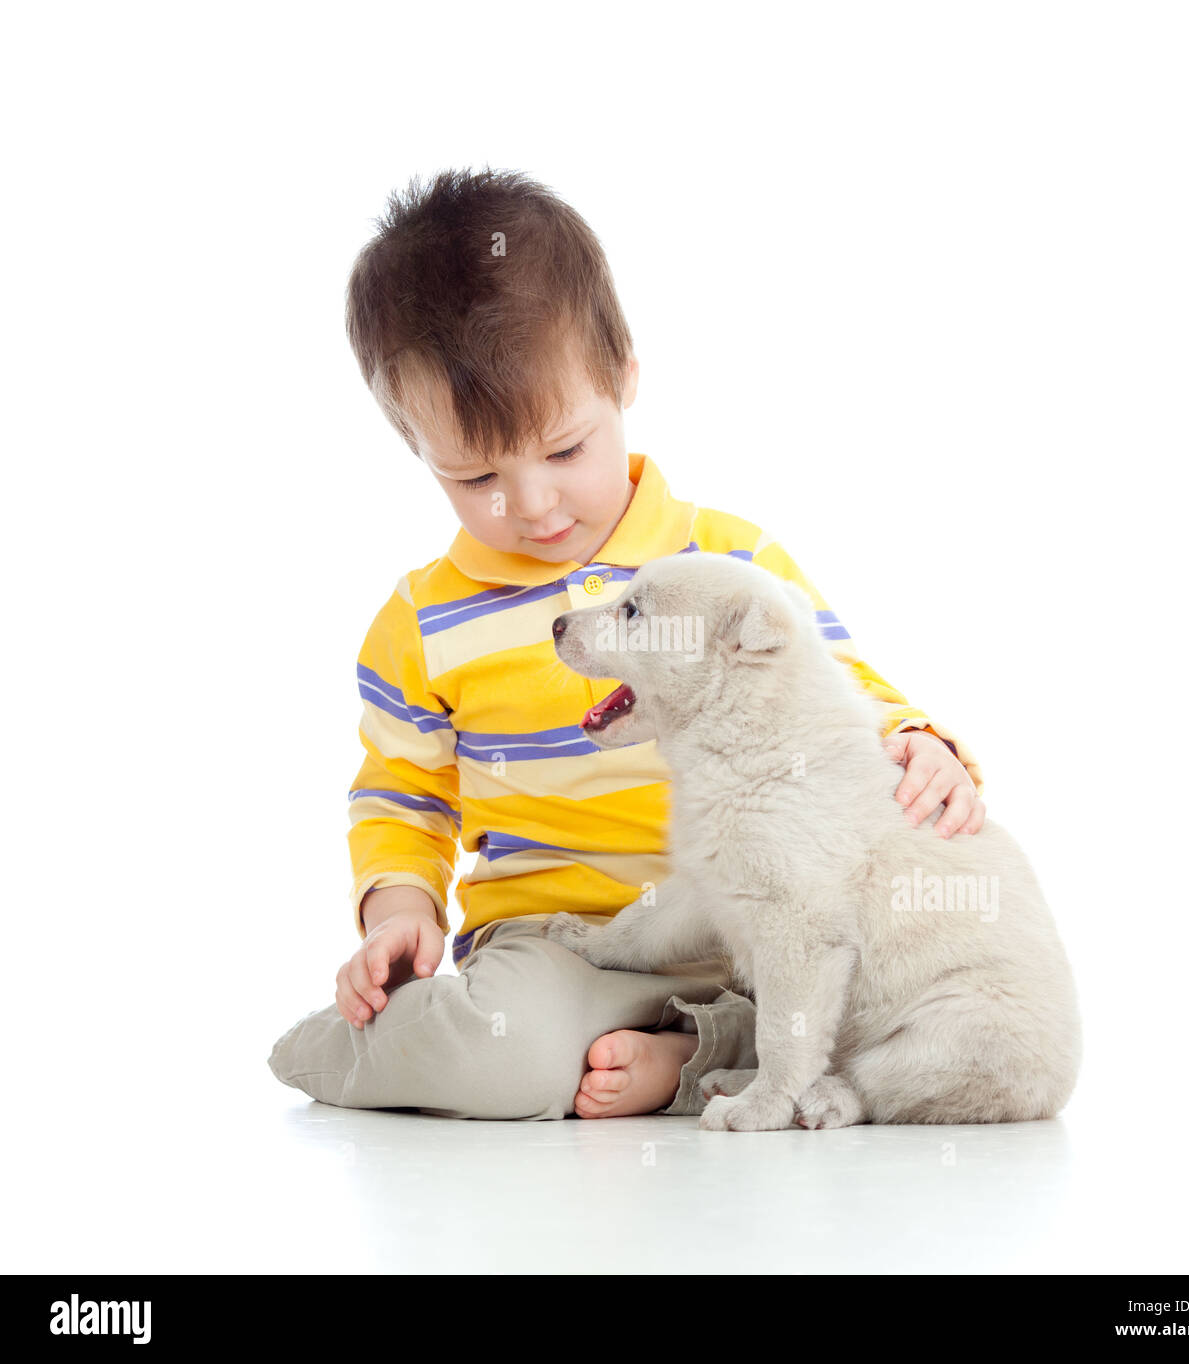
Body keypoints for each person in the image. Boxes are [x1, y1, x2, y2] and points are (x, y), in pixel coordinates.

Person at [267, 167, 985, 1121]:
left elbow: (834, 687)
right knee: (505, 1064)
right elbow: (402, 795)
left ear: (624, 378)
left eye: (565, 450)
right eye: (477, 475)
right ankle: (350, 1050)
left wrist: (922, 743)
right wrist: (397, 916)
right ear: (417, 448)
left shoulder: (727, 557)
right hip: (557, 946)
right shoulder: (424, 621)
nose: (531, 504)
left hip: (749, 923)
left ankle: (701, 1049)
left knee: (875, 992)